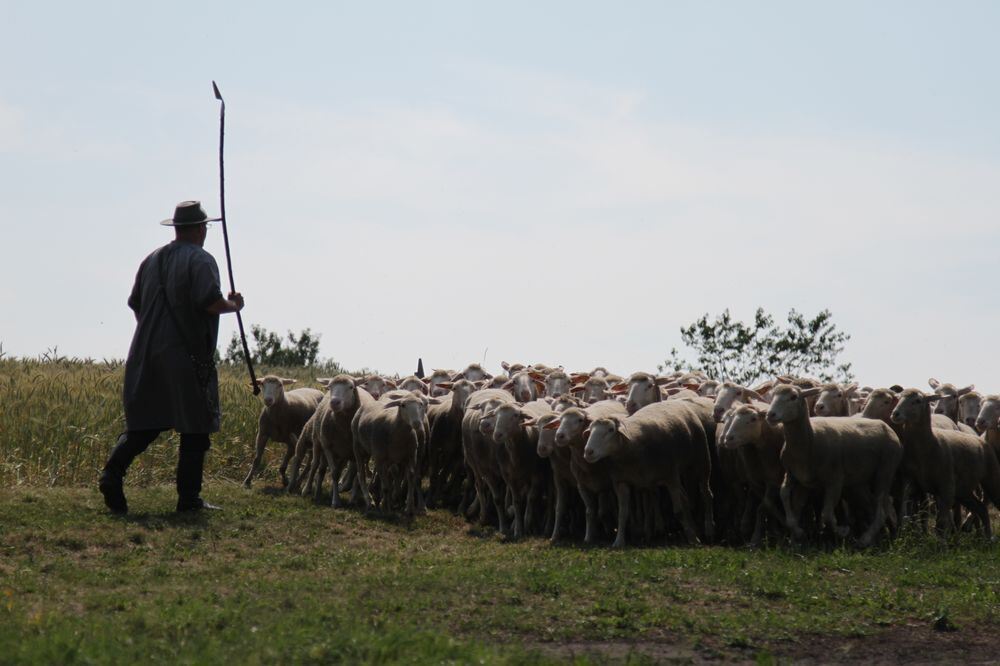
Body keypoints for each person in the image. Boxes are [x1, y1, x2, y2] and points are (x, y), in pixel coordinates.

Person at [99, 201, 245, 514]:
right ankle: (189, 499)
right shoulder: (202, 260)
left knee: (145, 423)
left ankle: (112, 473)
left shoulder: (150, 260)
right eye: (204, 227)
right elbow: (209, 302)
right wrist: (234, 306)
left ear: (176, 228)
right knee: (195, 426)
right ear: (200, 229)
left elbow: (135, 304)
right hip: (187, 356)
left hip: (144, 353)